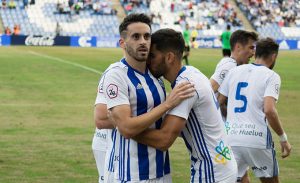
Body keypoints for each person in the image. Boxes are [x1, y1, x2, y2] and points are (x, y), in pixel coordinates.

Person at [131, 28, 238, 182]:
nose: (148, 61)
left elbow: (164, 140)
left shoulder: (186, 86)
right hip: (222, 164)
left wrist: (127, 129)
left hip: (211, 171)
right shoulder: (191, 72)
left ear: (169, 57)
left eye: (152, 56)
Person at [101, 13, 195, 183]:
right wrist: (167, 104)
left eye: (147, 36)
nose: (143, 41)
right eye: (136, 37)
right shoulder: (116, 75)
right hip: (134, 173)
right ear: (122, 43)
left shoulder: (156, 75)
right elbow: (126, 127)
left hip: (163, 170)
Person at [218, 38, 292, 183]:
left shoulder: (234, 71)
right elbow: (269, 110)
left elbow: (219, 102)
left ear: (256, 53)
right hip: (257, 138)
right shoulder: (272, 76)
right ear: (273, 56)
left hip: (232, 138)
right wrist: (283, 138)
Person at [211, 29, 258, 183]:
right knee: (231, 176)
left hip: (234, 131)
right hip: (226, 133)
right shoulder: (229, 66)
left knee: (242, 175)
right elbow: (209, 90)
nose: (253, 52)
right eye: (251, 47)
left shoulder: (235, 65)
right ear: (238, 47)